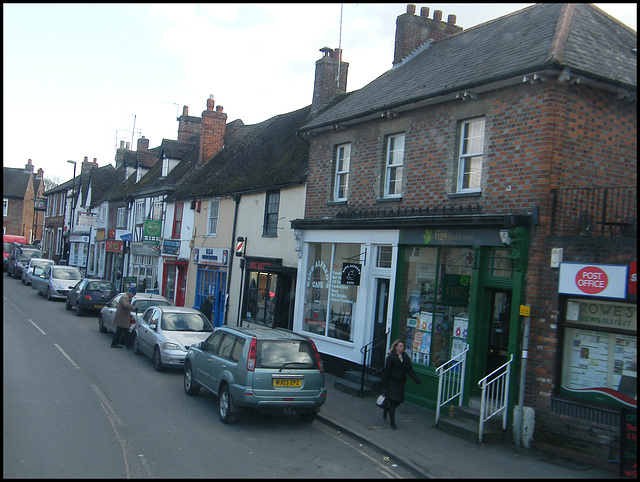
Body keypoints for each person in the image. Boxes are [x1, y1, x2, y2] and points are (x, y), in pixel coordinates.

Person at [381, 339, 421, 429]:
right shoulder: (391, 358)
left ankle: (386, 409)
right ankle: (392, 423)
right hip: (392, 383)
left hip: (401, 383)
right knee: (393, 402)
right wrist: (384, 386)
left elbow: (409, 369)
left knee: (398, 401)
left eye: (403, 346)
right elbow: (386, 372)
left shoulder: (405, 357)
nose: (402, 348)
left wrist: (416, 379)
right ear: (395, 347)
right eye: (400, 346)